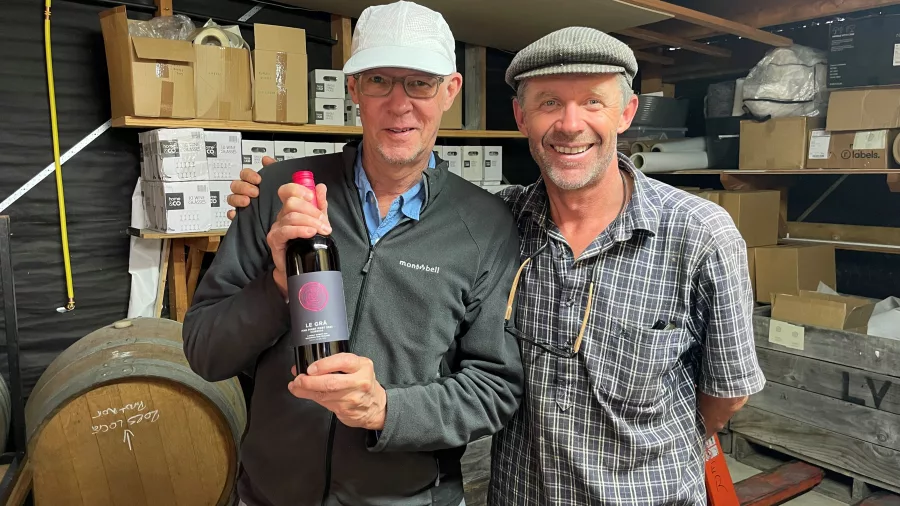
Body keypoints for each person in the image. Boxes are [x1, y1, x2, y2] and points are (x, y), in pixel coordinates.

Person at [228, 26, 765, 506]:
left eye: (594, 103)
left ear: (626, 113)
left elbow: (725, 395)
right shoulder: (504, 218)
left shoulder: (699, 235)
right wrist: (270, 192)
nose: (570, 125)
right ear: (522, 116)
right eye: (550, 102)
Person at [182, 1, 525, 505]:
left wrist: (383, 409)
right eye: (379, 80)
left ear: (450, 90)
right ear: (353, 90)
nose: (399, 103)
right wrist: (277, 285)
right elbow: (205, 353)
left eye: (420, 83)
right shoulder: (281, 195)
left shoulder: (485, 226)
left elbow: (495, 390)